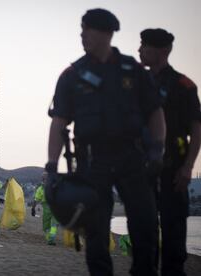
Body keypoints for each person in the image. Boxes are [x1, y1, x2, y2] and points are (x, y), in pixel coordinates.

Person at [46, 8, 166, 275]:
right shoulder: (72, 75)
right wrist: (51, 167)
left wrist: (157, 150)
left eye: (87, 29)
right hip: (92, 161)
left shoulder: (132, 71)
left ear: (107, 33)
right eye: (81, 28)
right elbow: (59, 123)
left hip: (133, 158)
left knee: (145, 226)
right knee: (97, 232)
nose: (82, 34)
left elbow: (155, 112)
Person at [139, 28, 201, 276]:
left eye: (146, 45)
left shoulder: (182, 86)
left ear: (163, 50)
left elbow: (197, 130)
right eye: (141, 44)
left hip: (173, 170)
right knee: (144, 238)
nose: (140, 50)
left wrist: (188, 167)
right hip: (140, 172)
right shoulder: (135, 83)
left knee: (174, 241)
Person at [32, 172, 58, 245]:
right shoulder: (54, 186)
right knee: (54, 223)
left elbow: (36, 199)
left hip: (48, 207)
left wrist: (33, 209)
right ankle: (51, 238)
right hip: (54, 206)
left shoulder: (41, 188)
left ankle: (50, 239)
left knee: (47, 225)